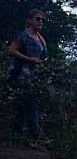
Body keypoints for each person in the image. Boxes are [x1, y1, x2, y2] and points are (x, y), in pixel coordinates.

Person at [6, 8, 48, 141]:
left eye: (42, 19)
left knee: (23, 106)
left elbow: (42, 54)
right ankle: (37, 134)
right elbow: (12, 50)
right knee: (31, 103)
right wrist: (29, 60)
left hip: (33, 76)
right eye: (38, 19)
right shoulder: (23, 36)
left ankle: (16, 134)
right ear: (30, 20)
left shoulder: (40, 38)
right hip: (21, 75)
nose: (40, 22)